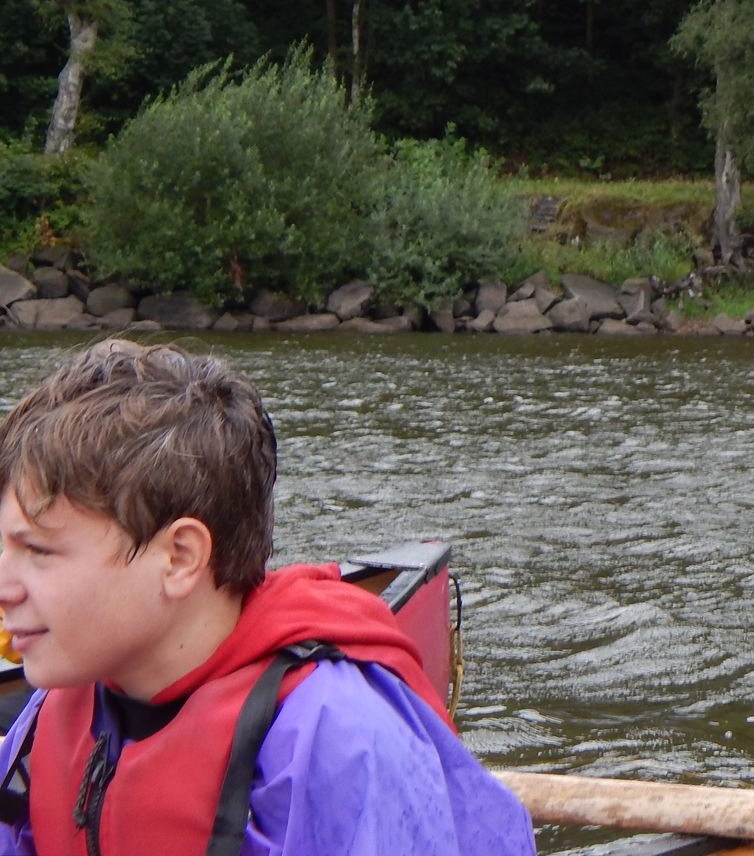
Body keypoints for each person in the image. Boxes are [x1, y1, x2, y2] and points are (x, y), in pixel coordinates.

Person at [0, 340, 534, 856]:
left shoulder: (340, 739)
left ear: (180, 557)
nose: (5, 588)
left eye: (39, 552)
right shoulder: (50, 715)